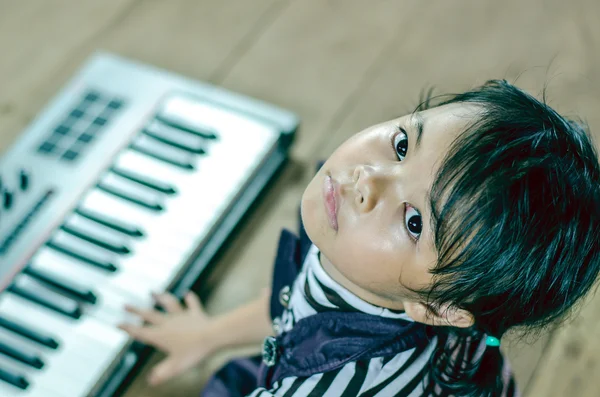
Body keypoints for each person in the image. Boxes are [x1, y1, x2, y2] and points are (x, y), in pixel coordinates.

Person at [119, 80, 600, 396]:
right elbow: (295, 305)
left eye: (414, 222)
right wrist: (208, 336)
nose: (367, 181)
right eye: (402, 145)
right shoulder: (365, 260)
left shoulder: (326, 386)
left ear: (434, 310)